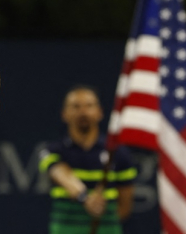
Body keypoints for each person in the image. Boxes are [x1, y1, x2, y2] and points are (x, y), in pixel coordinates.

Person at [39, 85, 137, 234]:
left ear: (100, 113)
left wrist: (105, 222)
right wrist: (85, 198)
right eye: (76, 106)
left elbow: (125, 207)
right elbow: (61, 174)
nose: (83, 112)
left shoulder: (118, 153)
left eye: (89, 106)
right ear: (64, 114)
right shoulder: (51, 151)